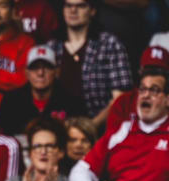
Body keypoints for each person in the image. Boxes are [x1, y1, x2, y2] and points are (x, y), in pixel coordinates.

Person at [46, 0, 132, 128]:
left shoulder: (109, 44)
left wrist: (91, 126)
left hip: (100, 127)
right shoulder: (52, 47)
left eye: (80, 6)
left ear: (92, 10)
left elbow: (120, 99)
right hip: (59, 129)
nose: (73, 10)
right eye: (68, 5)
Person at [0, 45, 84, 136]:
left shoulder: (72, 102)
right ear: (27, 73)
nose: (40, 73)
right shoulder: (11, 101)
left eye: (47, 67)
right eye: (35, 67)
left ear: (56, 72)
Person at [106, 46, 169, 133]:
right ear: (140, 72)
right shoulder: (123, 102)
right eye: (148, 71)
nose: (152, 75)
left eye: (158, 72)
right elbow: (110, 139)